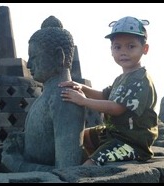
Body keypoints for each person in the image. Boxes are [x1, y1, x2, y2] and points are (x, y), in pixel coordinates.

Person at [59, 16, 158, 166]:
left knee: (91, 164)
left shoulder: (140, 80)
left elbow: (116, 108)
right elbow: (104, 96)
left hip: (131, 142)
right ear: (111, 50)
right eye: (117, 47)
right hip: (112, 133)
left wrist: (83, 101)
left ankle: (91, 163)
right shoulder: (121, 78)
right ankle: (87, 159)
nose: (123, 52)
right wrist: (81, 87)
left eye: (131, 46)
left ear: (145, 49)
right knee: (81, 137)